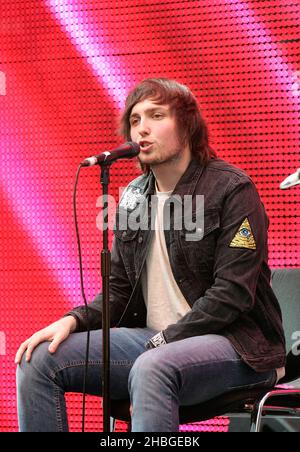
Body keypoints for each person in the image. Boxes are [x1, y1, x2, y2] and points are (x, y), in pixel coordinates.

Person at [15, 78, 286, 432]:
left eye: (156, 115)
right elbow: (119, 289)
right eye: (136, 119)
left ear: (187, 126)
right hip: (155, 341)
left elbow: (231, 294)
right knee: (37, 360)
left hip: (238, 345)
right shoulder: (132, 197)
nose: (142, 128)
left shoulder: (232, 189)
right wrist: (74, 320)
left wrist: (163, 342)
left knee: (151, 366)